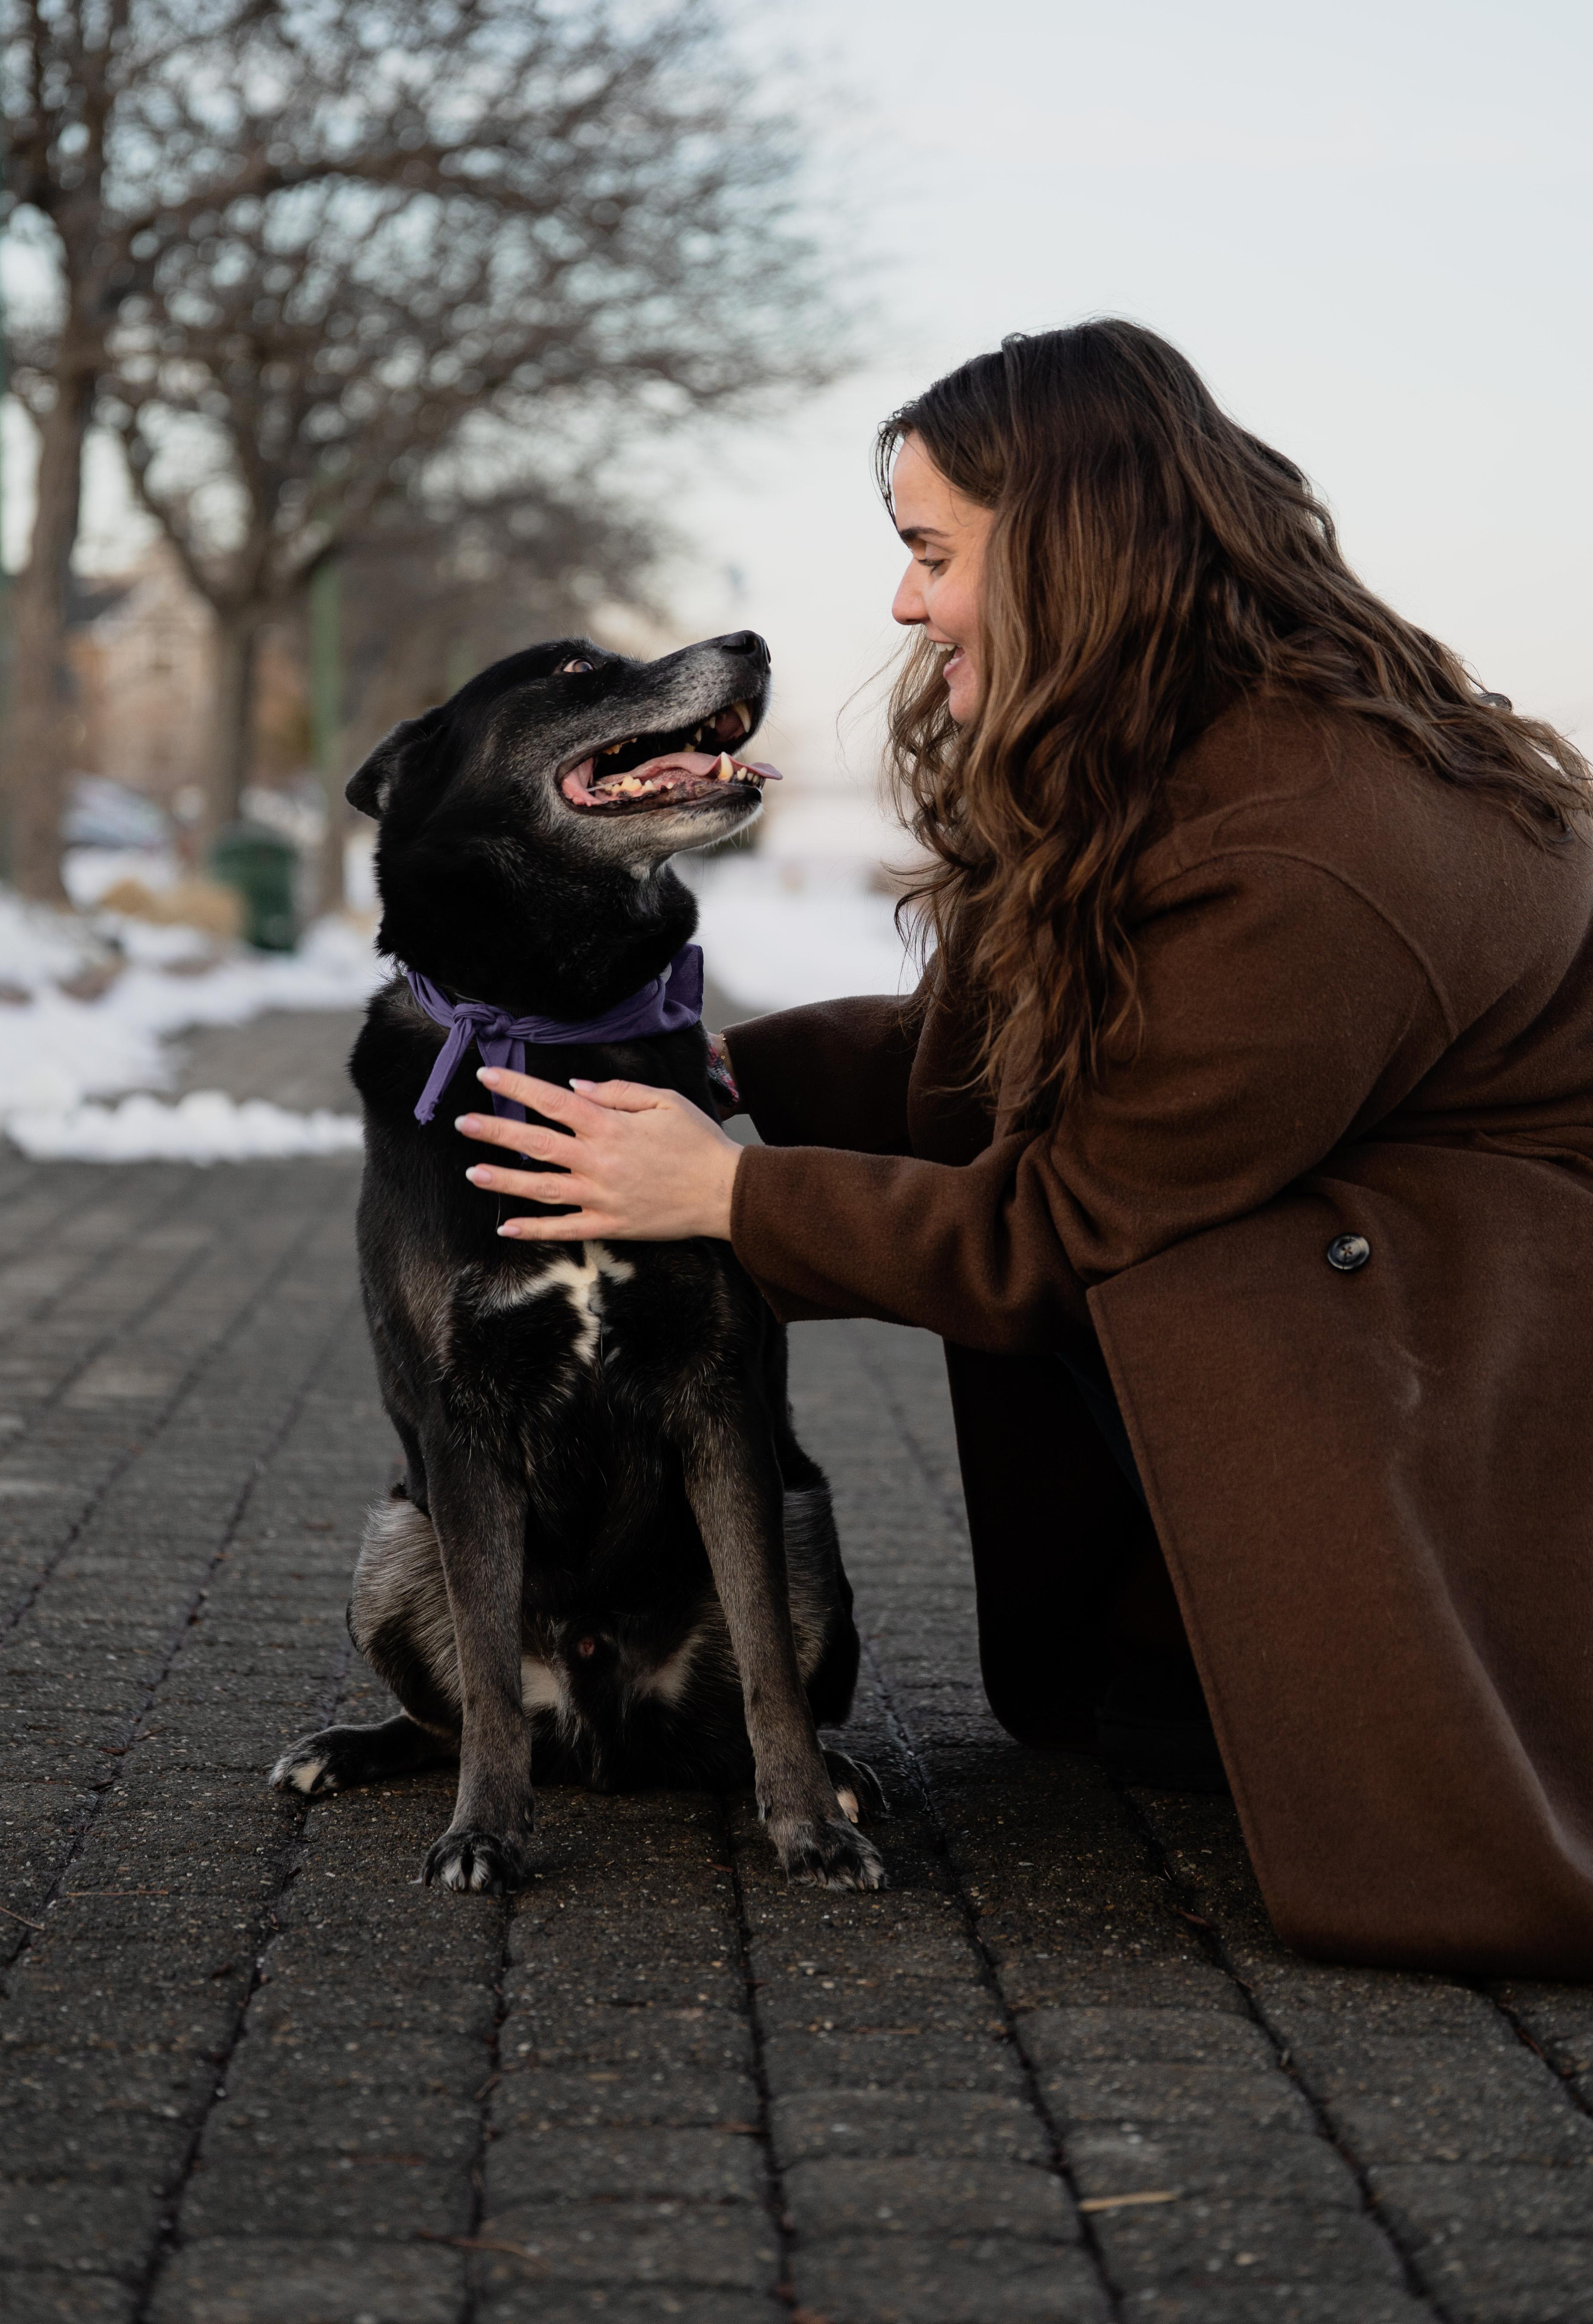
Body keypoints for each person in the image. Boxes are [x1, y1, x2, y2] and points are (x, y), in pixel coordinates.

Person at [455, 320, 1593, 1978]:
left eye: (934, 555)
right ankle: (1198, 1664)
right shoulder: (1198, 747)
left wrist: (732, 1195)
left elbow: (1068, 1222)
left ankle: (1409, 1749)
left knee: (1202, 1269)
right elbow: (1045, 1057)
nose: (905, 605)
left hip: (1493, 1335)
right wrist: (728, 1069)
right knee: (1184, 1252)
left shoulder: (1300, 856)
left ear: (1072, 550)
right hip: (1441, 1280)